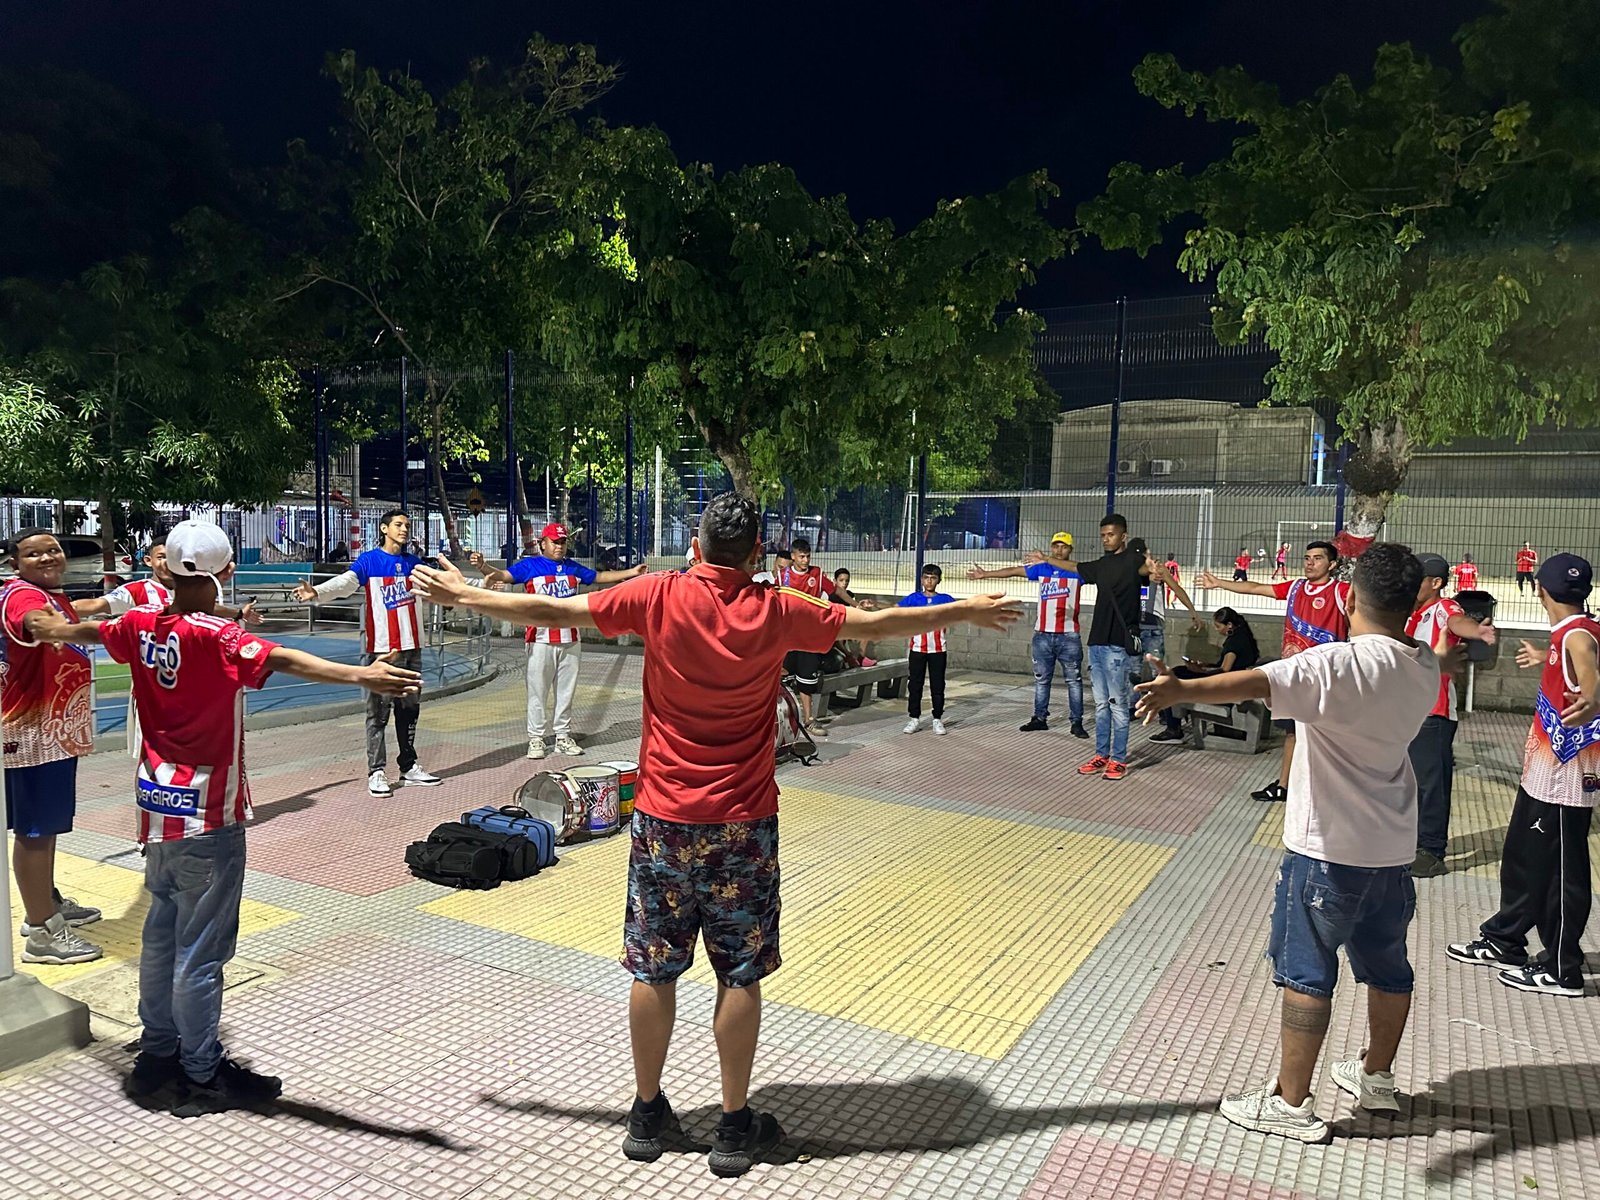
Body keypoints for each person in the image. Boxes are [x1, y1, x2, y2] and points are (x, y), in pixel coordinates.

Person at [410, 492, 1021, 1177]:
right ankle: (733, 1127)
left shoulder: (658, 596)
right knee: (739, 973)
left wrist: (465, 596)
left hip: (663, 822)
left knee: (653, 966)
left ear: (697, 545)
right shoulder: (779, 608)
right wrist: (965, 610)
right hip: (743, 825)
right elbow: (871, 624)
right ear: (757, 552)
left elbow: (556, 611)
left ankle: (646, 1114)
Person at [59, 520, 420, 1115]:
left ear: (168, 568)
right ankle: (201, 1073)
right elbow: (283, 657)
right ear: (226, 571)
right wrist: (362, 673)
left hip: (157, 806)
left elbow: (92, 628)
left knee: (160, 934)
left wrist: (46, 626)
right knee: (201, 950)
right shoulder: (218, 636)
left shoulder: (140, 623)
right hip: (208, 812)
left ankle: (157, 1053)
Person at [1136, 543, 1440, 1142]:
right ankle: (1376, 1077)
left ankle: (1292, 1104)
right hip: (1391, 852)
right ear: (1412, 604)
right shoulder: (1421, 664)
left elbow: (1252, 681)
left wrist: (1177, 690)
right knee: (1388, 966)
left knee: (1306, 972)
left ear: (1350, 599)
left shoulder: (1334, 666)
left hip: (1326, 852)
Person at [1447, 553, 1598, 998]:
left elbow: (1589, 676)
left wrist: (1593, 700)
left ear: (1538, 590)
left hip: (1567, 777)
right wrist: (1543, 656)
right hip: (1542, 774)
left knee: (1560, 873)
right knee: (1522, 859)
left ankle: (1562, 967)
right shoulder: (1571, 631)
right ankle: (1505, 939)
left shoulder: (1578, 637)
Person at [1, 529, 103, 965]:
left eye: (53, 550)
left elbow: (83, 609)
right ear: (15, 563)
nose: (46, 557)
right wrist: (58, 628)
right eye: (33, 553)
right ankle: (42, 930)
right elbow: (34, 622)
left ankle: (47, 902)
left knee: (47, 827)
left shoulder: (53, 595)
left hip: (54, 733)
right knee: (35, 831)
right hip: (33, 734)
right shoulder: (23, 596)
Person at [291, 509, 442, 796]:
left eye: (407, 525)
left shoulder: (414, 563)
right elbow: (346, 583)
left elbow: (441, 583)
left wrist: (482, 584)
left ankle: (408, 766)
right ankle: (377, 771)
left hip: (412, 647)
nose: (404, 529)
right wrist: (317, 592)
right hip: (383, 651)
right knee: (378, 713)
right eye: (398, 525)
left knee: (409, 710)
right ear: (384, 529)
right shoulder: (369, 561)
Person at [471, 522, 646, 760]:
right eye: (555, 542)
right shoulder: (529, 566)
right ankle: (536, 738)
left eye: (563, 542)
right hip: (539, 640)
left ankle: (562, 737)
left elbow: (599, 577)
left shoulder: (572, 567)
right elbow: (502, 576)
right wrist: (483, 566)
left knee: (566, 692)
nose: (559, 547)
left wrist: (632, 573)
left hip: (570, 640)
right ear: (543, 543)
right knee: (537, 692)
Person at [1200, 541, 1351, 804]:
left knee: (1323, 737)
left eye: (1317, 558)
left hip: (1324, 681)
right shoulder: (1295, 588)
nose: (1310, 563)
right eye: (1307, 558)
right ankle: (1284, 786)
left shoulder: (1341, 592)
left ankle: (1325, 791)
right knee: (1293, 733)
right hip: (1293, 678)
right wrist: (1220, 583)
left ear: (1332, 564)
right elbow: (1254, 588)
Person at [1405, 554, 1498, 879]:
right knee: (1409, 782)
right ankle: (1412, 843)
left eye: (1418, 578)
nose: (1411, 584)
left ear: (1436, 583)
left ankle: (1431, 851)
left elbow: (1459, 622)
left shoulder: (1443, 608)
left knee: (1431, 784)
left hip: (1434, 712)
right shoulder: (1411, 614)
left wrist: (1477, 631)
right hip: (1407, 710)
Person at [968, 531, 1087, 739]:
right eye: (1056, 546)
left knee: (1073, 681)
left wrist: (1046, 558)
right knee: (1041, 680)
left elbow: (1095, 572)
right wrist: (985, 574)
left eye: (1064, 546)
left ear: (1070, 549)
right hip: (1042, 634)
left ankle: (1076, 722)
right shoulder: (1042, 569)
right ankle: (1040, 718)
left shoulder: (1077, 571)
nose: (1059, 550)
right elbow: (1014, 571)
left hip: (1068, 636)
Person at [1148, 606, 1260, 742]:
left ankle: (1173, 728)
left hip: (1225, 689)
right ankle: (1168, 715)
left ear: (1229, 625)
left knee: (1172, 678)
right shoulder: (1244, 637)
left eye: (1218, 626)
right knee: (1177, 672)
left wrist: (1200, 671)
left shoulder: (1234, 643)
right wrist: (1205, 665)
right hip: (1234, 685)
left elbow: (1225, 670)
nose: (1216, 629)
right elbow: (1226, 667)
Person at [774, 538, 834, 739]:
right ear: (793, 557)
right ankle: (770, 718)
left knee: (806, 680)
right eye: (801, 556)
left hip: (809, 638)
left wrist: (854, 605)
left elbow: (834, 592)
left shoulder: (816, 574)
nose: (806, 560)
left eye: (808, 556)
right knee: (776, 673)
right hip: (788, 637)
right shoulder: (782, 577)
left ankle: (809, 720)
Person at [1129, 537, 1202, 681]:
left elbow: (1176, 588)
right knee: (1134, 672)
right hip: (1135, 626)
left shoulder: (1158, 569)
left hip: (1151, 625)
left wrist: (1193, 611)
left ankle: (1155, 694)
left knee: (1153, 672)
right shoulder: (1129, 568)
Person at [899, 564, 954, 735]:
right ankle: (914, 718)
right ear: (921, 579)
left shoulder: (945, 599)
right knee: (915, 684)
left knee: (938, 685)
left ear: (939, 580)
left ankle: (937, 718)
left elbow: (966, 609)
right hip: (917, 649)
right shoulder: (913, 599)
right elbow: (893, 610)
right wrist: (874, 605)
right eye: (926, 577)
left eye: (933, 578)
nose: (929, 581)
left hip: (938, 650)